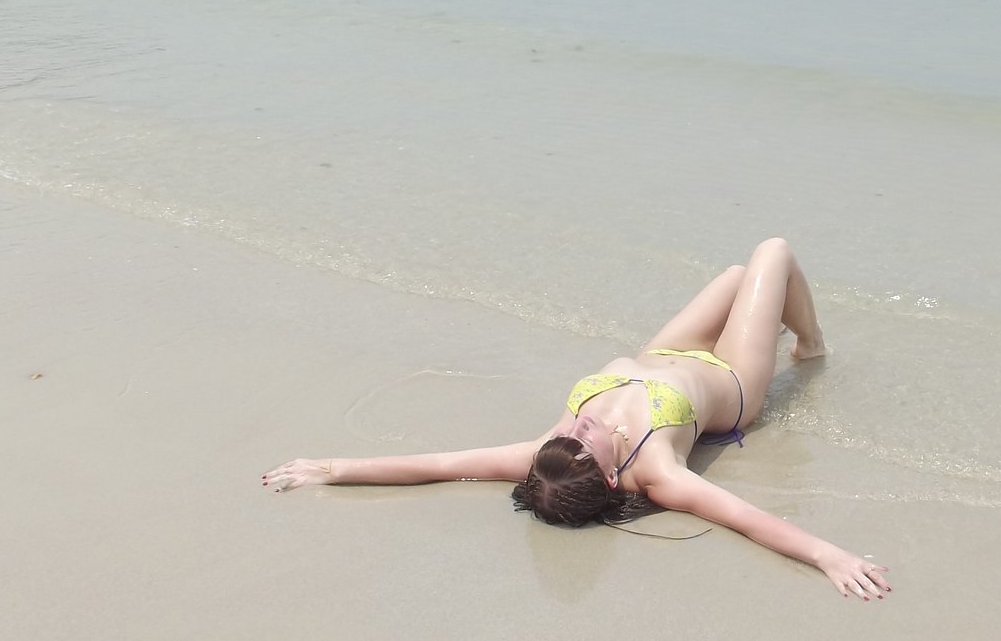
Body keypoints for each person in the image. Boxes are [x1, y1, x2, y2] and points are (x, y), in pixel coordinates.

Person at [263, 238, 892, 599]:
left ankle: (781, 327)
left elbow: (436, 464)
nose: (574, 428)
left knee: (734, 276)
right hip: (731, 379)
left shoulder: (548, 454)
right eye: (581, 440)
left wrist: (332, 467)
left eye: (567, 433)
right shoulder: (658, 471)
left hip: (665, 351)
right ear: (614, 478)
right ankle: (811, 344)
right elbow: (747, 518)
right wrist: (829, 557)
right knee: (772, 253)